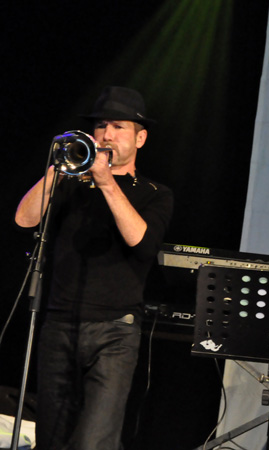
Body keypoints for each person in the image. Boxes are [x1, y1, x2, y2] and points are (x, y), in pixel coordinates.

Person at [15, 86, 174, 450]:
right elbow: (24, 220)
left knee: (94, 442)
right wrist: (61, 167)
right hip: (59, 324)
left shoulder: (154, 192)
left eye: (118, 127)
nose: (106, 135)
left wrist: (105, 182)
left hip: (115, 332)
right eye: (101, 126)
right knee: (52, 439)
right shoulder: (72, 184)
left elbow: (142, 242)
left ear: (140, 137)